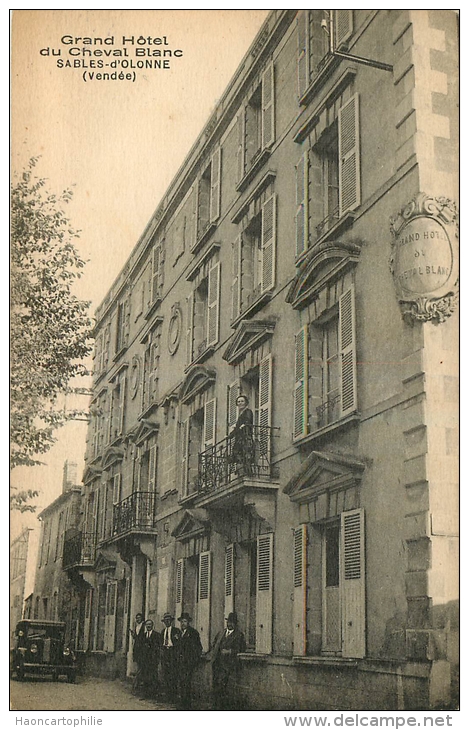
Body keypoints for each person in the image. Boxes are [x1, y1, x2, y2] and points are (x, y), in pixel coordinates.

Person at [208, 612, 246, 710]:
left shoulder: (239, 635)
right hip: (217, 664)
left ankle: (224, 709)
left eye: (232, 622)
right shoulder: (221, 633)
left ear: (235, 624)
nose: (229, 624)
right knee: (216, 687)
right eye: (228, 622)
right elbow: (214, 644)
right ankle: (216, 707)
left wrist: (230, 651)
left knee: (226, 689)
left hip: (229, 666)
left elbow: (242, 649)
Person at [176, 612, 203, 710]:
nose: (183, 623)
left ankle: (187, 705)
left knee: (186, 683)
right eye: (181, 622)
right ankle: (182, 704)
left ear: (188, 622)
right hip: (180, 663)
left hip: (188, 663)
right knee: (182, 683)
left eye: (185, 621)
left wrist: (192, 661)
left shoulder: (193, 633)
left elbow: (198, 648)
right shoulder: (180, 633)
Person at [160, 612, 181, 702]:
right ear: (164, 622)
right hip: (165, 653)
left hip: (173, 653)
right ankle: (168, 695)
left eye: (169, 620)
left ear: (171, 621)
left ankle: (173, 695)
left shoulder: (176, 631)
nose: (167, 622)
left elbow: (179, 643)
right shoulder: (163, 631)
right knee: (166, 674)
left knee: (173, 674)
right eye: (166, 620)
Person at [230, 395, 254, 475]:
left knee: (246, 456)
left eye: (242, 401)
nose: (240, 403)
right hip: (239, 439)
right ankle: (241, 473)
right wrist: (229, 436)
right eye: (238, 402)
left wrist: (244, 425)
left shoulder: (248, 412)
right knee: (239, 456)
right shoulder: (241, 415)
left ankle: (247, 473)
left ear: (246, 403)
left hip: (245, 438)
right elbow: (237, 429)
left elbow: (248, 421)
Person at [138, 619, 161, 698]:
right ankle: (146, 693)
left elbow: (158, 647)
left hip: (153, 660)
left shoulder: (157, 635)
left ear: (152, 626)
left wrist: (156, 658)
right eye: (147, 624)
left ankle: (153, 693)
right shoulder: (143, 636)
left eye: (150, 624)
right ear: (145, 626)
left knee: (153, 676)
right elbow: (140, 648)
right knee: (145, 677)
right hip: (145, 660)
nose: (148, 626)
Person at [130, 613, 145, 692]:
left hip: (142, 649)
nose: (138, 619)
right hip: (137, 649)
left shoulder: (144, 626)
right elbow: (136, 638)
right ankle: (136, 685)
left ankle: (136, 685)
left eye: (139, 618)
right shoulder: (136, 627)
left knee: (140, 668)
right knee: (138, 667)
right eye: (137, 618)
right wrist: (133, 635)